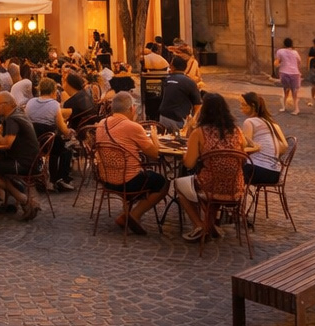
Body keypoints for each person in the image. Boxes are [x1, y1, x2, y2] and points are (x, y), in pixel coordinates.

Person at [172, 93, 258, 241]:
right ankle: (210, 226)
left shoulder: (200, 133)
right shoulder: (236, 131)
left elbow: (189, 164)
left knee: (179, 185)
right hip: (235, 187)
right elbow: (243, 149)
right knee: (213, 182)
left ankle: (200, 226)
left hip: (210, 186)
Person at [91, 91, 167, 235]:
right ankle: (132, 216)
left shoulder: (101, 123)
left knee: (143, 175)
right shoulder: (133, 127)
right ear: (132, 108)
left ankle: (129, 213)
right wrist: (155, 138)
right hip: (128, 181)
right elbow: (154, 154)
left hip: (106, 180)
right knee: (163, 183)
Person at [0, 92, 41, 221]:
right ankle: (17, 197)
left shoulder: (12, 119)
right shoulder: (19, 114)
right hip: (32, 160)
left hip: (23, 163)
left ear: (7, 105)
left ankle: (22, 198)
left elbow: (7, 144)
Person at [25, 77, 74, 192]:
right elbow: (62, 128)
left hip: (33, 141)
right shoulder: (54, 104)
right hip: (48, 141)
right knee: (67, 149)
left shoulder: (30, 102)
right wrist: (69, 131)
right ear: (53, 91)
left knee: (55, 145)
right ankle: (61, 179)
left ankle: (49, 178)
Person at [238, 92, 288, 185]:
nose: (240, 107)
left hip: (257, 171)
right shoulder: (273, 123)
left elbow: (245, 149)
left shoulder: (250, 122)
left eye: (243, 104)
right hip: (275, 174)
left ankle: (230, 197)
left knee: (229, 171)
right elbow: (285, 146)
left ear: (252, 106)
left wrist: (257, 149)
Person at [156, 55, 201, 133]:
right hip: (179, 120)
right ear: (185, 67)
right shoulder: (190, 82)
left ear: (172, 67)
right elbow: (197, 105)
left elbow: (161, 97)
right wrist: (193, 122)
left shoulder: (166, 80)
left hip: (163, 117)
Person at [274, 37, 303, 114]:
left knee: (285, 89)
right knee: (295, 92)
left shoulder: (280, 51)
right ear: (291, 44)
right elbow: (299, 62)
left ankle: (284, 106)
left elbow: (276, 63)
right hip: (295, 73)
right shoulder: (295, 52)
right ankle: (296, 109)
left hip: (284, 72)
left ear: (284, 44)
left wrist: (280, 64)